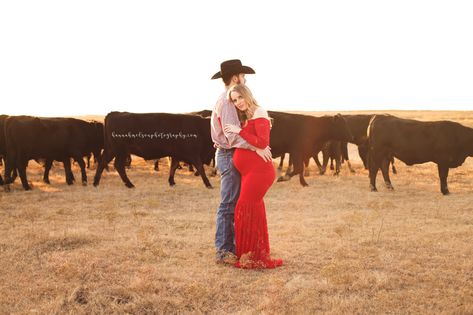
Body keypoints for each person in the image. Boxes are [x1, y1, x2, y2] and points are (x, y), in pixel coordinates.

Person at [210, 60, 272, 264]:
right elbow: (232, 136)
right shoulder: (228, 101)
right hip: (228, 154)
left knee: (234, 203)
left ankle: (237, 247)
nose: (245, 80)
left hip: (230, 155)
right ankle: (223, 250)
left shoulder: (228, 100)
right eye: (243, 76)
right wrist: (256, 147)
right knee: (228, 205)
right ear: (236, 77)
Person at [223, 84, 283, 269]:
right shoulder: (247, 116)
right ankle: (252, 254)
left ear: (247, 94)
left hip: (260, 171)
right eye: (234, 100)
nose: (238, 102)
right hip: (249, 172)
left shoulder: (259, 112)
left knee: (245, 207)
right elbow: (255, 142)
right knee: (252, 209)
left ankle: (253, 257)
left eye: (240, 97)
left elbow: (263, 142)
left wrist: (238, 130)